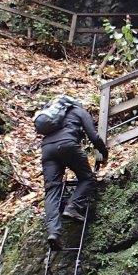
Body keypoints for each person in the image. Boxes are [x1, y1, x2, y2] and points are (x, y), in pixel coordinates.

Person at [38, 96, 108, 250]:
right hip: (68, 145)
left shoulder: (52, 117)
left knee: (52, 190)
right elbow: (94, 136)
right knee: (87, 178)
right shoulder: (79, 111)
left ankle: (53, 232)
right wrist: (104, 153)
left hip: (47, 151)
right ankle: (73, 207)